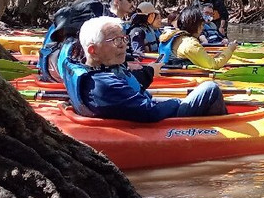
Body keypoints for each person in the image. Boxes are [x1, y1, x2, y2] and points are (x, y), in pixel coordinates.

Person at [61, 16, 228, 121]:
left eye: (124, 39)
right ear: (92, 50)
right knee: (210, 88)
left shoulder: (96, 71)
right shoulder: (103, 85)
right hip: (148, 119)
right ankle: (219, 129)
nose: (124, 46)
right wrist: (177, 102)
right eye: (116, 41)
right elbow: (151, 112)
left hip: (136, 109)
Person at [158, 6, 239, 70]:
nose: (202, 28)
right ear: (195, 25)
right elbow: (214, 65)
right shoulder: (190, 43)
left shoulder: (173, 35)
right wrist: (230, 49)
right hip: (177, 77)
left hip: (168, 71)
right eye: (202, 25)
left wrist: (218, 55)